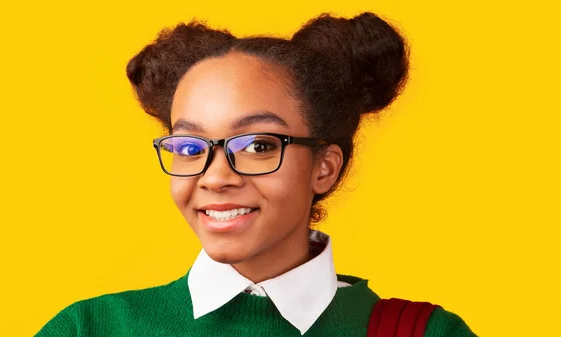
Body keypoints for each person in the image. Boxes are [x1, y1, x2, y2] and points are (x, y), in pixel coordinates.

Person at [35, 11, 476, 337]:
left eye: (259, 146)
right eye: (190, 147)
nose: (215, 176)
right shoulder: (91, 329)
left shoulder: (425, 334)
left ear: (324, 168)